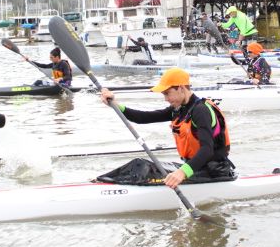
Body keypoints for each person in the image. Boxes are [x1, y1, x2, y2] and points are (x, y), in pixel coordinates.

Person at [99, 68, 235, 189]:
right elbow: (142, 118)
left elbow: (207, 149)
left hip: (214, 171)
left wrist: (182, 172)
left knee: (140, 166)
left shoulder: (201, 110)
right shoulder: (180, 109)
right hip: (196, 167)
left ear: (181, 88)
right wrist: (116, 105)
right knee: (140, 165)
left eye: (167, 93)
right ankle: (103, 183)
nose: (165, 99)